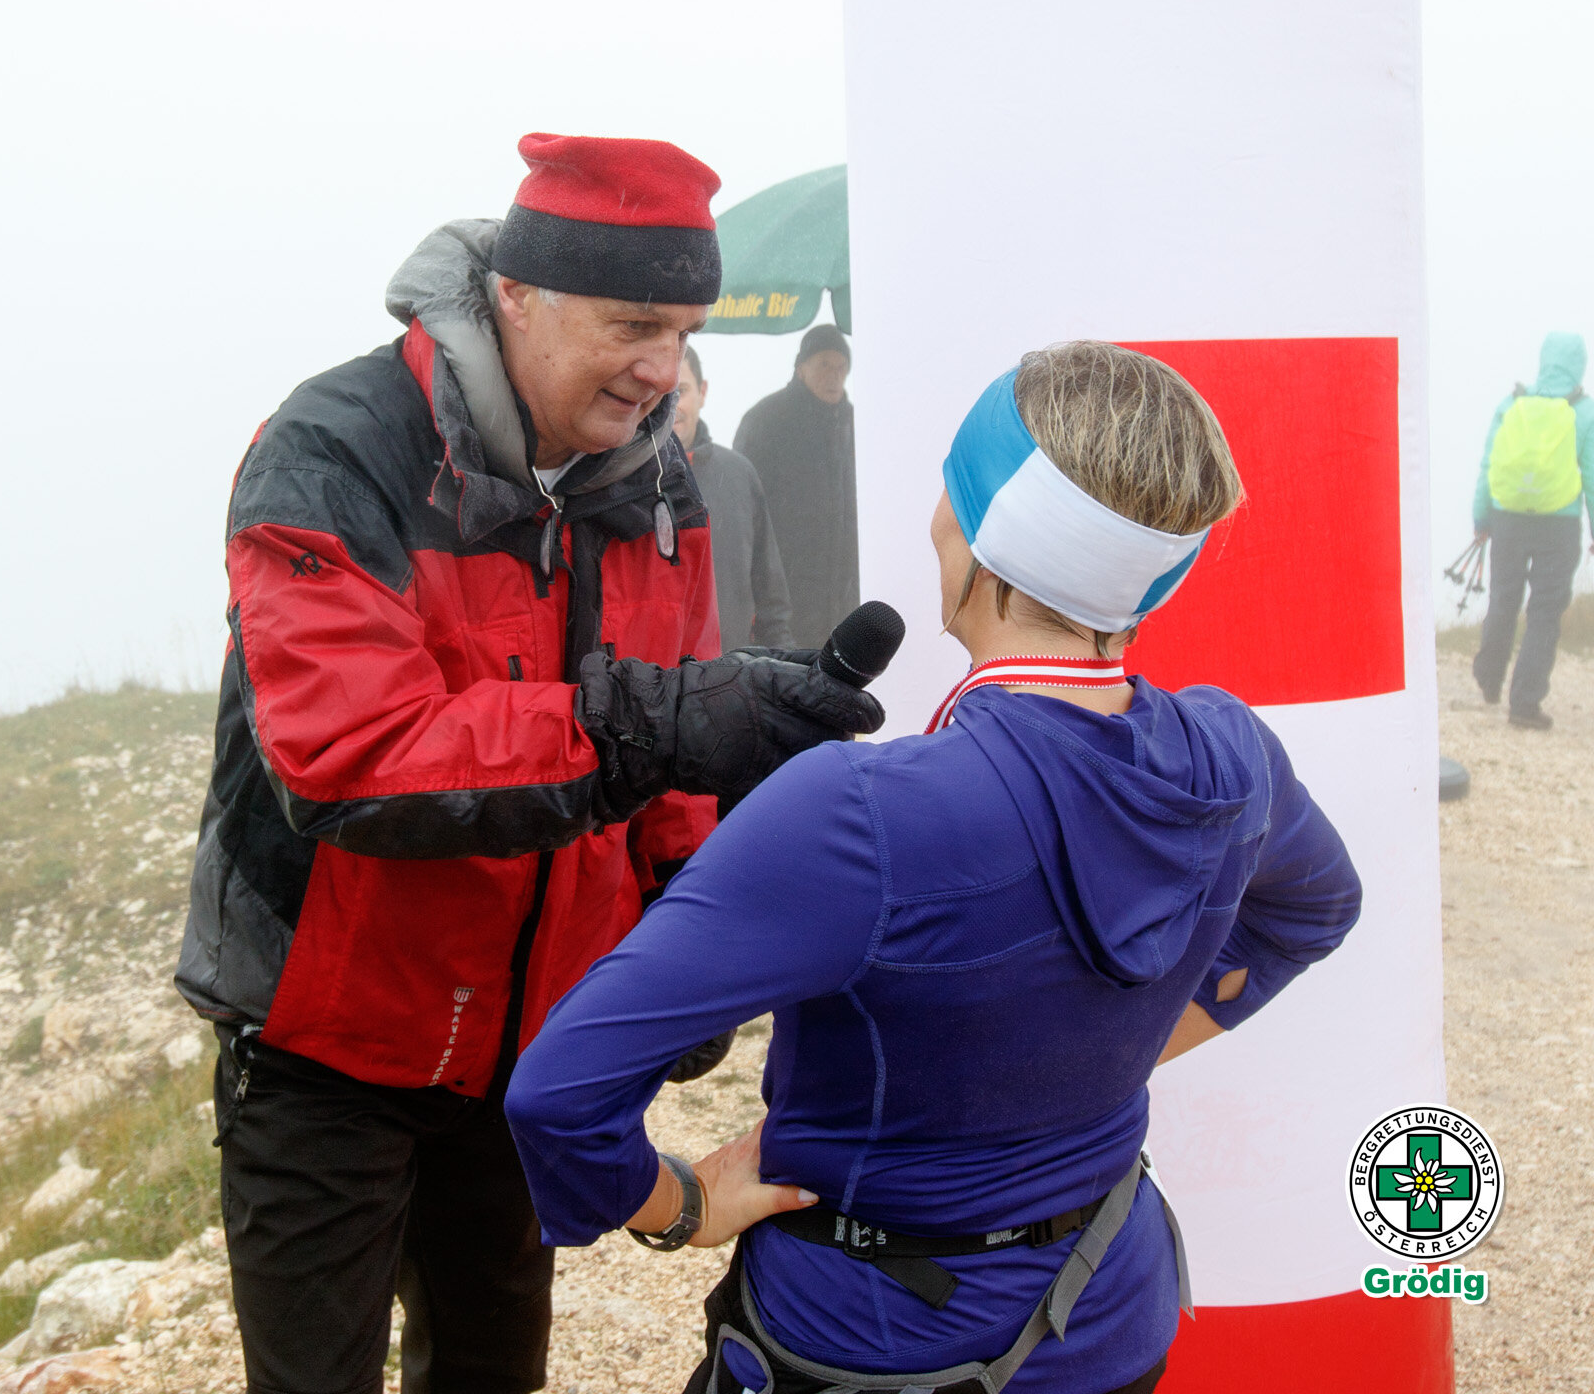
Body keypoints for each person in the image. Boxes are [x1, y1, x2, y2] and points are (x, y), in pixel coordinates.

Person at [508, 342, 1363, 1394]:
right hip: (1107, 1310)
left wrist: (676, 1205)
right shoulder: (1232, 752)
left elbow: (559, 1094)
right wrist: (1104, 1055)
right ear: (1160, 568)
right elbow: (1312, 911)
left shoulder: (862, 811)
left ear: (975, 531)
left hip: (865, 1341)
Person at [175, 134, 885, 1394]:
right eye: (631, 326)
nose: (661, 369)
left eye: (682, 330)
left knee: (497, 1370)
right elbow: (351, 756)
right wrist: (654, 722)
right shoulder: (337, 447)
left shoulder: (664, 487)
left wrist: (685, 948)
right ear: (516, 295)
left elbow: (668, 775)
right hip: (325, 1044)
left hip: (526, 1049)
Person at [1469, 331, 1594, 729]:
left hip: (1508, 518)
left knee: (1503, 598)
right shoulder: (1584, 411)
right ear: (1578, 365)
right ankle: (1524, 704)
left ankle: (1488, 681)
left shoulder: (1512, 403)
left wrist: (1481, 519)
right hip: (1558, 524)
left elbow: (1489, 466)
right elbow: (1590, 474)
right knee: (1544, 612)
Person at [733, 319, 858, 647]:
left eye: (841, 366)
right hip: (783, 594)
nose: (833, 374)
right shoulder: (765, 421)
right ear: (801, 368)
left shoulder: (855, 425)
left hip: (844, 596)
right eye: (824, 364)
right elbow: (743, 513)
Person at [673, 342, 797, 650]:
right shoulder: (620, 479)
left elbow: (772, 606)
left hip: (728, 680)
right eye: (660, 394)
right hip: (650, 684)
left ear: (702, 391)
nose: (670, 406)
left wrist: (787, 679)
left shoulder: (739, 475)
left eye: (680, 392)